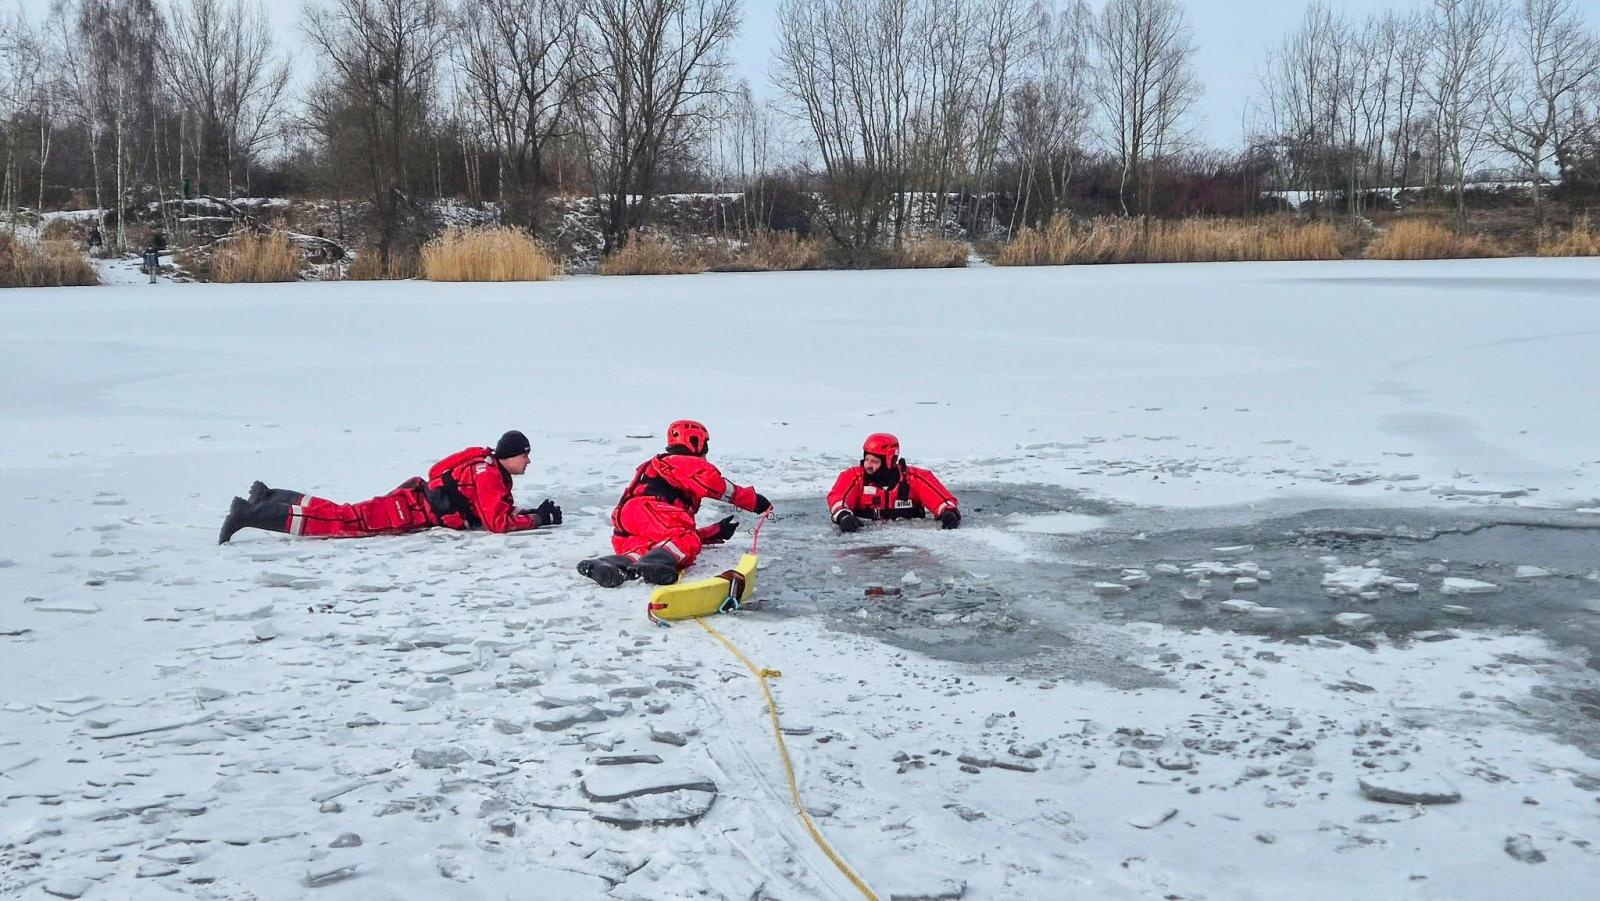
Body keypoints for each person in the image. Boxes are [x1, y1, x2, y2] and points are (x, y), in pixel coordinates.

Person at [218, 430, 561, 543]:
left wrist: (528, 512)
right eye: (525, 456)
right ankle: (252, 514)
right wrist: (537, 520)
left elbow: (439, 472)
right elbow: (497, 524)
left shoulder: (483, 462)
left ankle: (270, 496)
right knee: (339, 521)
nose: (528, 462)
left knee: (344, 513)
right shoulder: (488, 475)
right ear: (511, 456)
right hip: (409, 511)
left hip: (412, 497)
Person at [578, 419, 771, 587]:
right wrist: (754, 501)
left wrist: (712, 532)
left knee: (649, 549)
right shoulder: (684, 462)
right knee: (687, 540)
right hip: (652, 510)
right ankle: (654, 564)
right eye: (705, 446)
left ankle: (609, 564)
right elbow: (714, 485)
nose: (706, 453)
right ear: (696, 442)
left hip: (629, 521)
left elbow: (668, 532)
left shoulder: (658, 464)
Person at [826, 432, 959, 532]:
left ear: (890, 461)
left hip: (907, 543)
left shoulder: (915, 478)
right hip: (865, 539)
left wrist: (948, 513)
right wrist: (844, 516)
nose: (868, 465)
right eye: (866, 459)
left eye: (874, 461)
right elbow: (838, 499)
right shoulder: (853, 477)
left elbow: (942, 500)